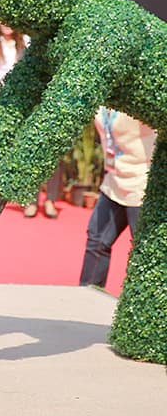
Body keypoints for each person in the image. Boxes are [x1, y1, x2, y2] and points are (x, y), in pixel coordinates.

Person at [79, 107, 156, 287]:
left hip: (143, 183)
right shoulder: (103, 92)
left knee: (146, 253)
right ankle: (85, 300)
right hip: (114, 180)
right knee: (96, 241)